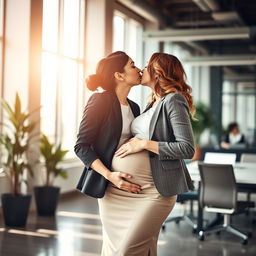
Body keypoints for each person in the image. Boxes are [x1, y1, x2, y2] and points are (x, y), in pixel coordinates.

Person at [98, 53, 195, 255]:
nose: (141, 69)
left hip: (154, 190)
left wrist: (144, 144)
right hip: (124, 190)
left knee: (128, 249)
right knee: (136, 247)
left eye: (147, 66)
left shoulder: (174, 100)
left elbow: (186, 148)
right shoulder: (151, 103)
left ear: (159, 72)